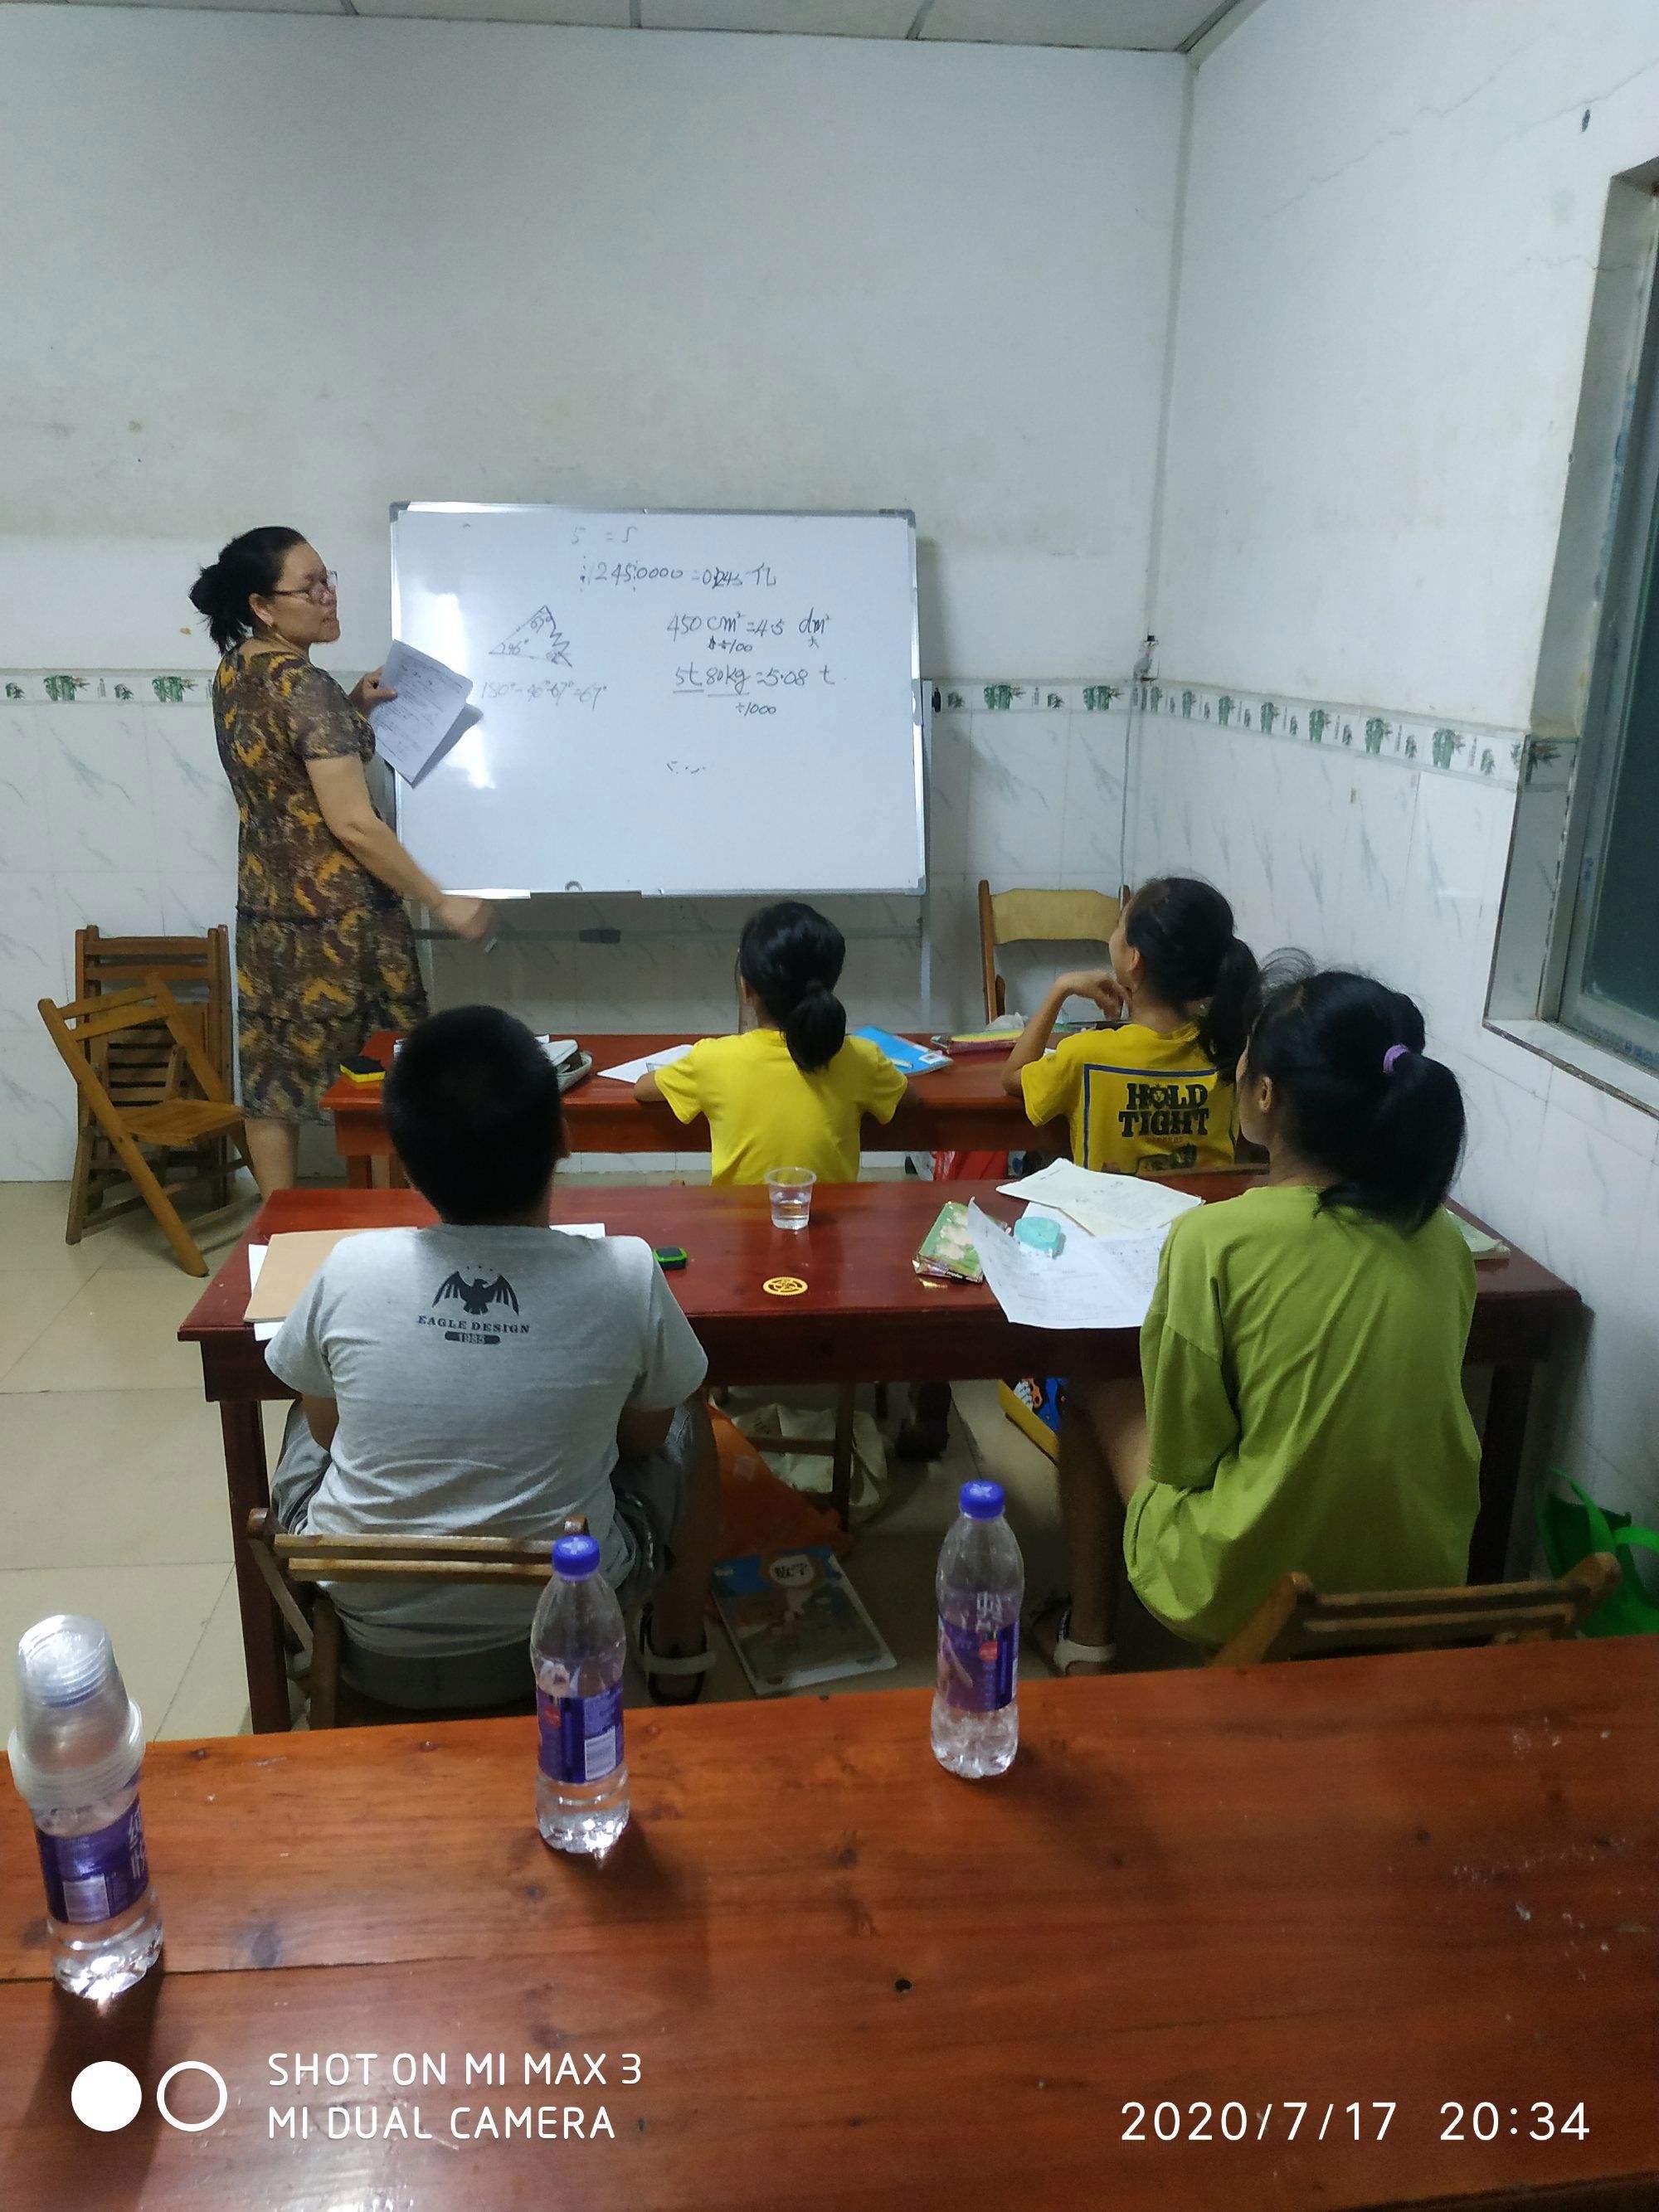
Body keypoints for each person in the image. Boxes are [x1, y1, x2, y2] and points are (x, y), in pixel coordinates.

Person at [266, 1004, 720, 1710]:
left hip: (368, 1620)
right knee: (684, 1405)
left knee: (308, 1399)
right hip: (560, 1619)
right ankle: (680, 1650)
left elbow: (327, 1433)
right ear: (564, 1137)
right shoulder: (627, 1273)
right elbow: (644, 1441)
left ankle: (295, 1658)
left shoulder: (348, 1265)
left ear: (407, 1162)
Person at [1036, 966, 1480, 1675]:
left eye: (1243, 1059)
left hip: (1251, 1587)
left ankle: (1087, 1638)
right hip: (1422, 1577)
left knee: (1090, 1374)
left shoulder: (1215, 1240)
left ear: (1265, 1095)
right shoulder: (1443, 1237)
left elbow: (1186, 1456)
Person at [190, 527, 496, 1195]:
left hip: (268, 912)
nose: (328, 597)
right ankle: (388, 1224)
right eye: (310, 588)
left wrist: (351, 710)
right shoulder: (304, 686)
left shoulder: (237, 668)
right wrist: (440, 899)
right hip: (340, 922)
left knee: (271, 1078)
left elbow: (283, 767)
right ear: (264, 606)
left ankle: (272, 1235)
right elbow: (353, 823)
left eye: (329, 579)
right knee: (387, 1073)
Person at [635, 900, 912, 1184]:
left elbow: (642, 1090)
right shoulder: (864, 1058)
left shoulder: (710, 1060)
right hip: (828, 1224)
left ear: (746, 987)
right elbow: (903, 1095)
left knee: (675, 1189)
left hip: (738, 1227)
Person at [1000, 877, 1260, 1176]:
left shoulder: (1085, 1055)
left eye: (1118, 926)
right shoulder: (1232, 1052)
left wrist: (1061, 988)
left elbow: (1012, 1077)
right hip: (1202, 1217)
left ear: (1134, 959)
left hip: (1110, 1218)